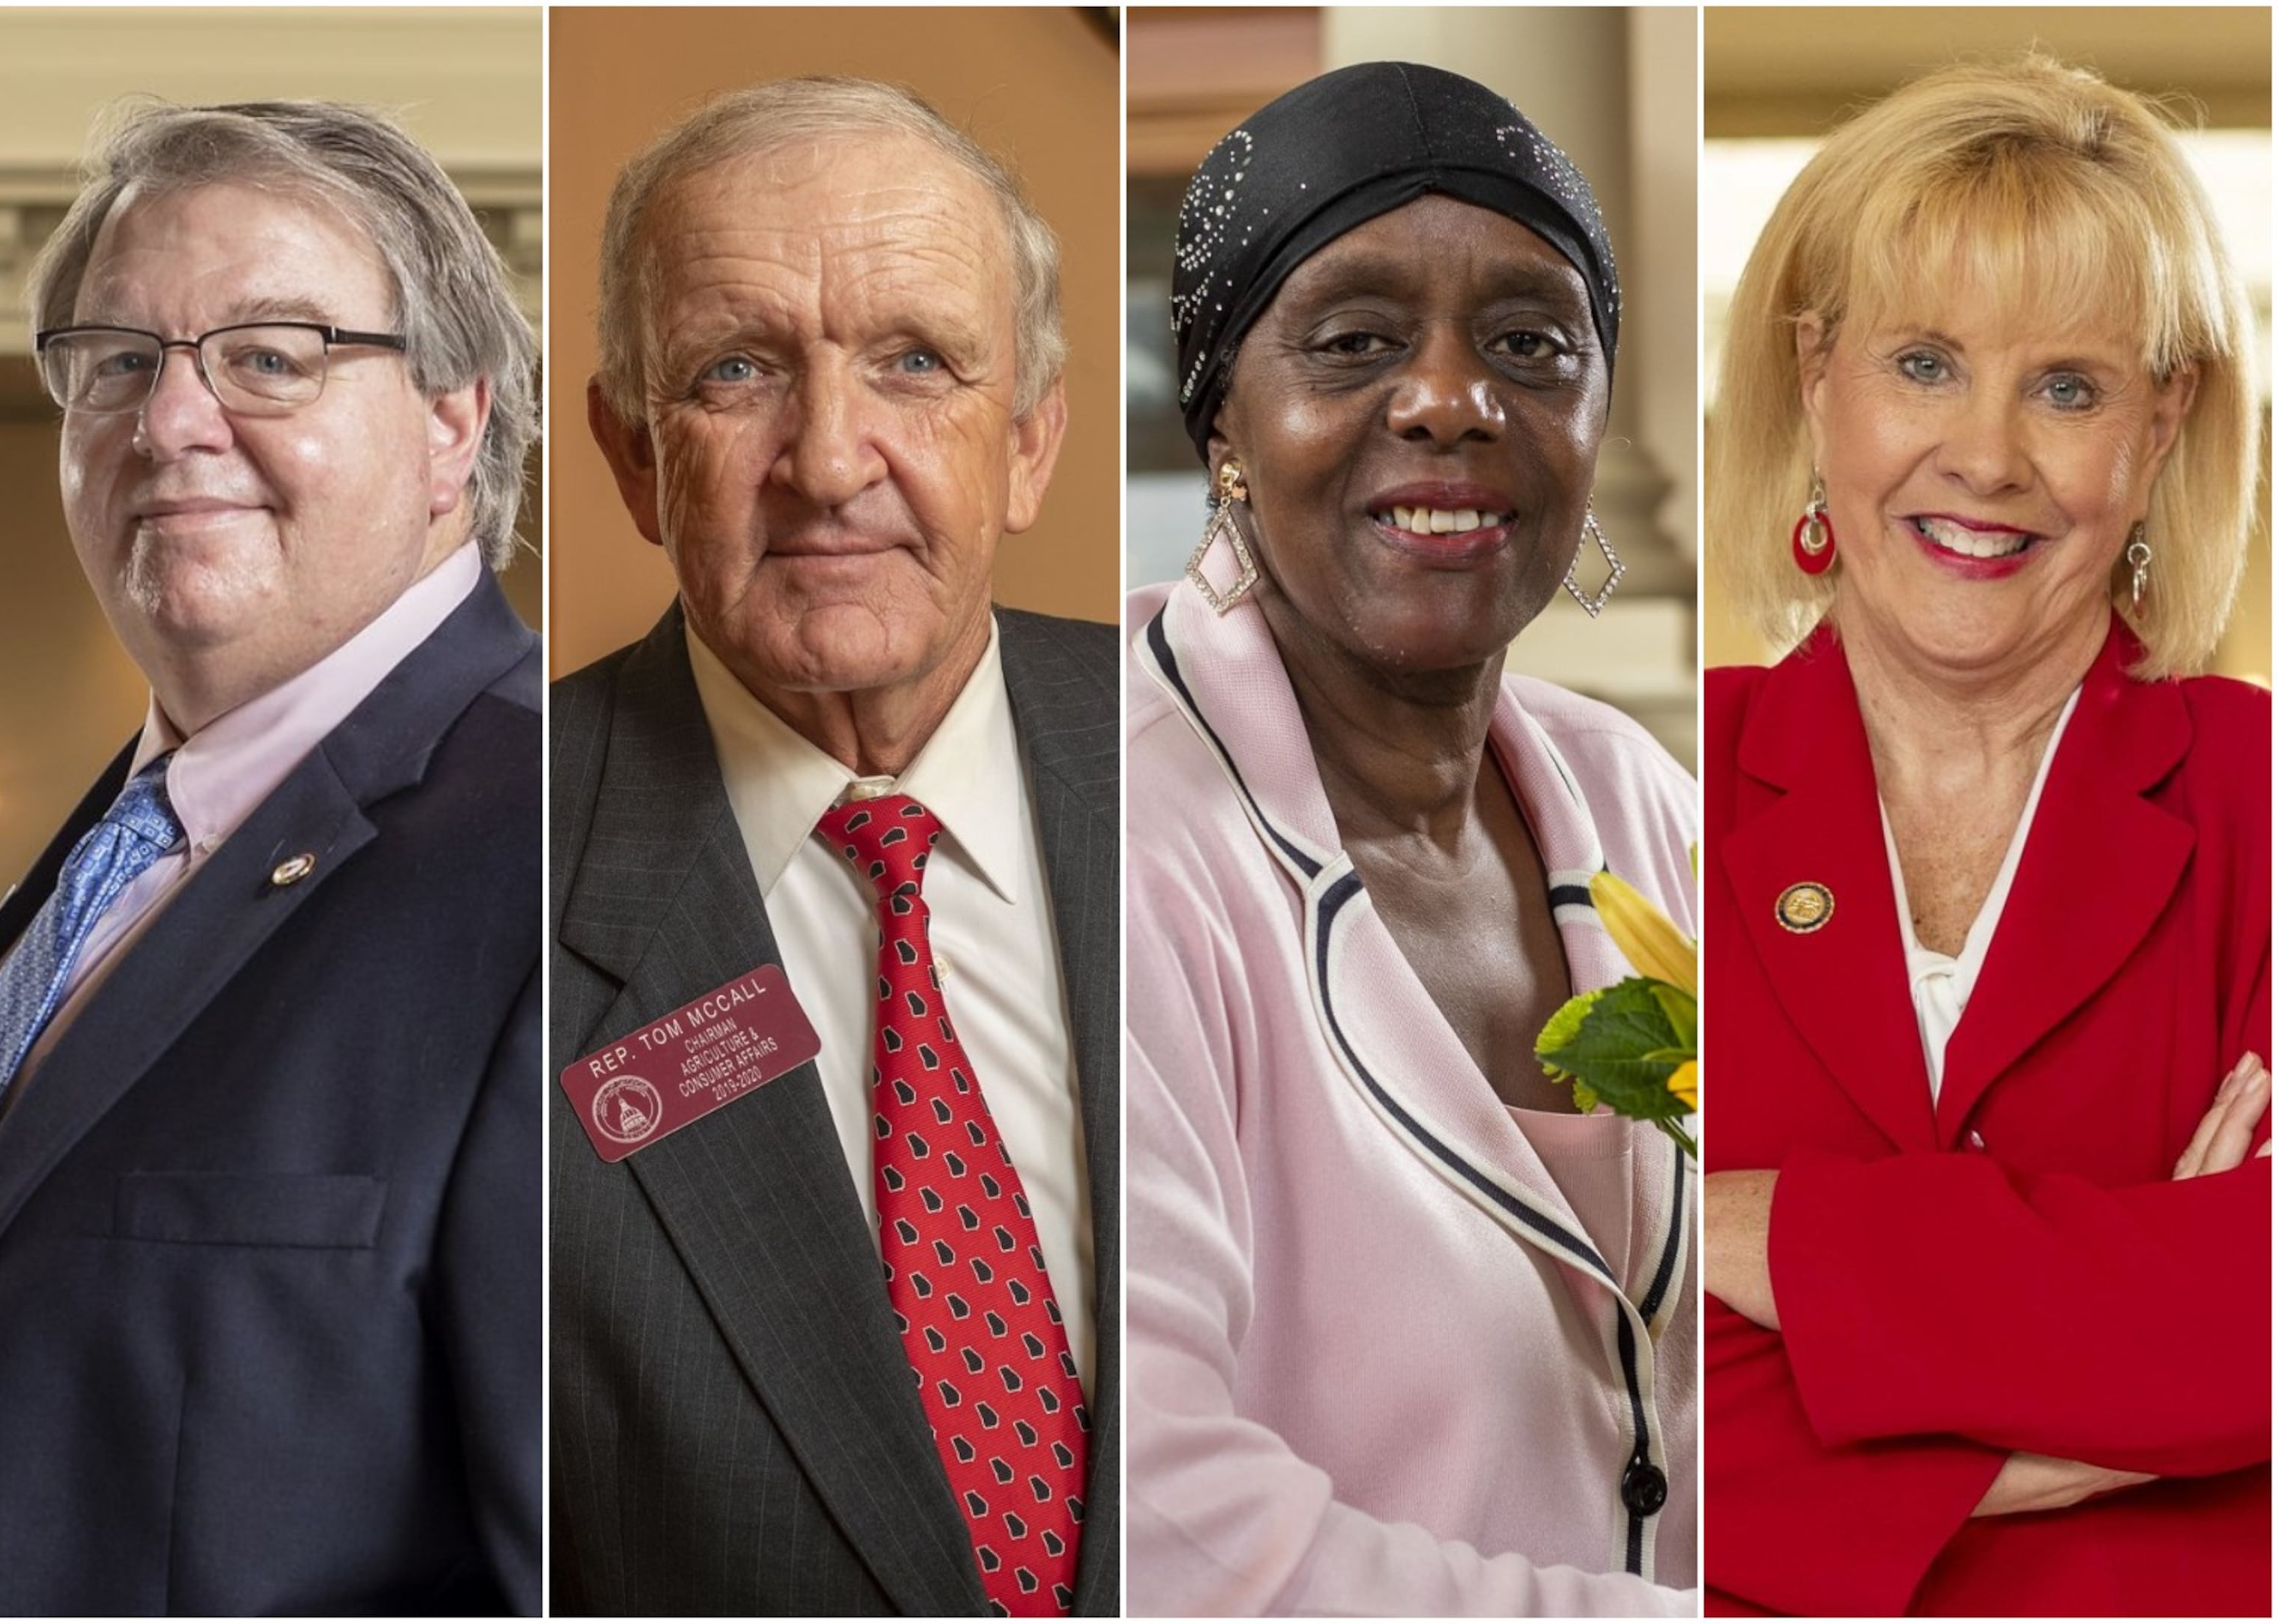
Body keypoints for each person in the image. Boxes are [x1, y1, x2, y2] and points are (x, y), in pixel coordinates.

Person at [1125, 63, 1701, 1615]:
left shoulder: (1645, 804)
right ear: (1224, 422)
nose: (1454, 400)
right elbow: (1163, 1530)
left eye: (1531, 344)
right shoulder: (1110, 832)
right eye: (1356, 341)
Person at [1698, 56, 2270, 1618]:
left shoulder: (2261, 797)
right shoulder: (1639, 784)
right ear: (1817, 375)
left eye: (2070, 388)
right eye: (1925, 364)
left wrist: (1761, 1231)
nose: (1989, 457)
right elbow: (1560, 1345)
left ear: (2163, 425)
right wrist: (2121, 1348)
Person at [0, 101, 541, 1615]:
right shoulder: (97, 862)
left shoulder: (573, 859)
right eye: (119, 363)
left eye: (270, 359)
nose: (168, 424)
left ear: (452, 423)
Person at [550, 77, 1118, 1616]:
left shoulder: (1226, 765)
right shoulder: (478, 876)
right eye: (736, 371)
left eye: (914, 362)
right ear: (633, 455)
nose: (828, 460)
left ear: (1030, 441)